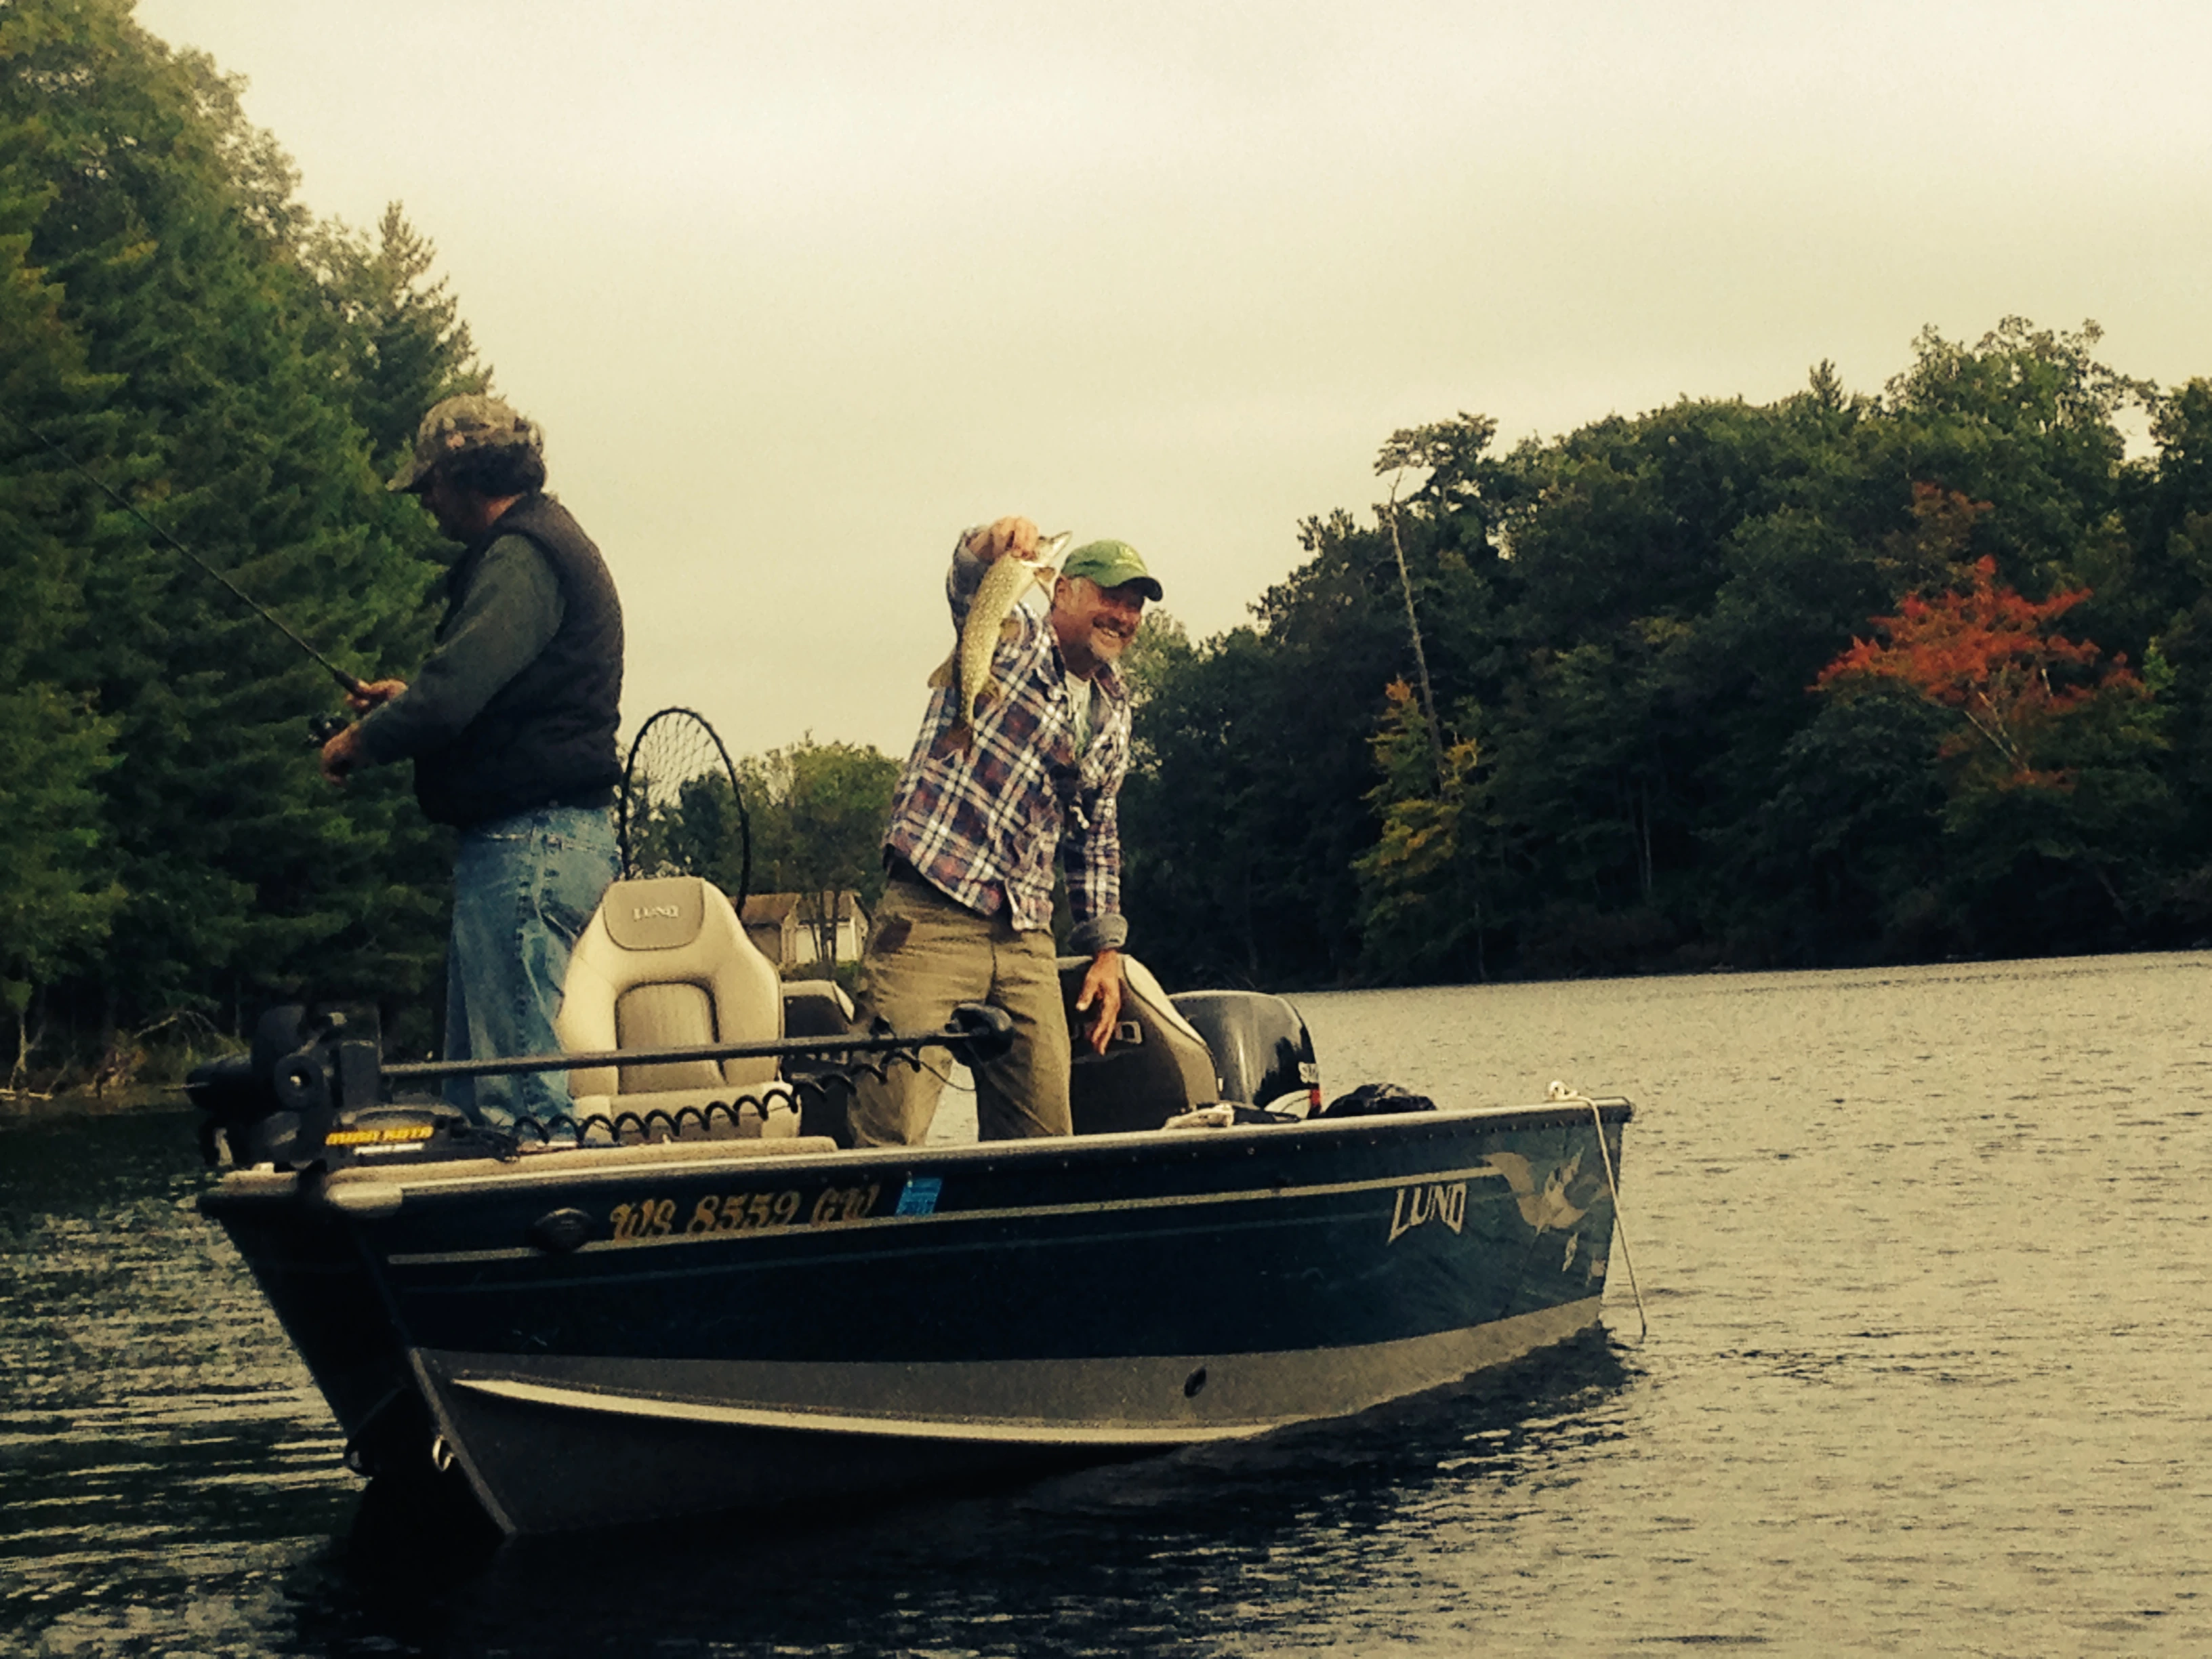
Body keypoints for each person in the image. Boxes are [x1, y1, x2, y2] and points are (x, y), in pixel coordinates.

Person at [319, 394, 623, 1128]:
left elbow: (452, 697)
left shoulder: (521, 555)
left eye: (429, 485)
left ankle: (559, 1220)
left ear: (469, 476)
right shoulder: (541, 544)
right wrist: (406, 697)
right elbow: (489, 689)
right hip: (535, 842)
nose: (425, 502)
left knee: (518, 1101)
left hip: (530, 842)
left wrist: (361, 741)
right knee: (477, 1095)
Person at [848, 514, 1160, 1147]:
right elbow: (968, 586)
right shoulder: (1012, 636)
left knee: (1045, 1144)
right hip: (929, 916)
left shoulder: (1114, 708)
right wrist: (991, 542)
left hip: (1026, 937)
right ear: (1061, 590)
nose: (1123, 617)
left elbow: (1096, 834)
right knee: (889, 1133)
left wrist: (1105, 952)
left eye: (1134, 607)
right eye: (1110, 597)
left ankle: (1024, 1243)